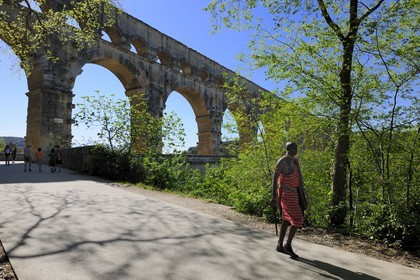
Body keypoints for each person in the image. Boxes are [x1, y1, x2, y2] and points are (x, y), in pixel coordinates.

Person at [270, 142, 307, 259]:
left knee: (287, 219)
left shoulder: (295, 161)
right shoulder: (282, 161)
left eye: (297, 147)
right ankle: (288, 245)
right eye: (294, 148)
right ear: (288, 149)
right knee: (298, 218)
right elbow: (274, 179)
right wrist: (273, 197)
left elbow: (299, 179)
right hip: (285, 193)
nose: (297, 149)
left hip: (294, 193)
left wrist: (301, 194)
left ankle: (280, 245)